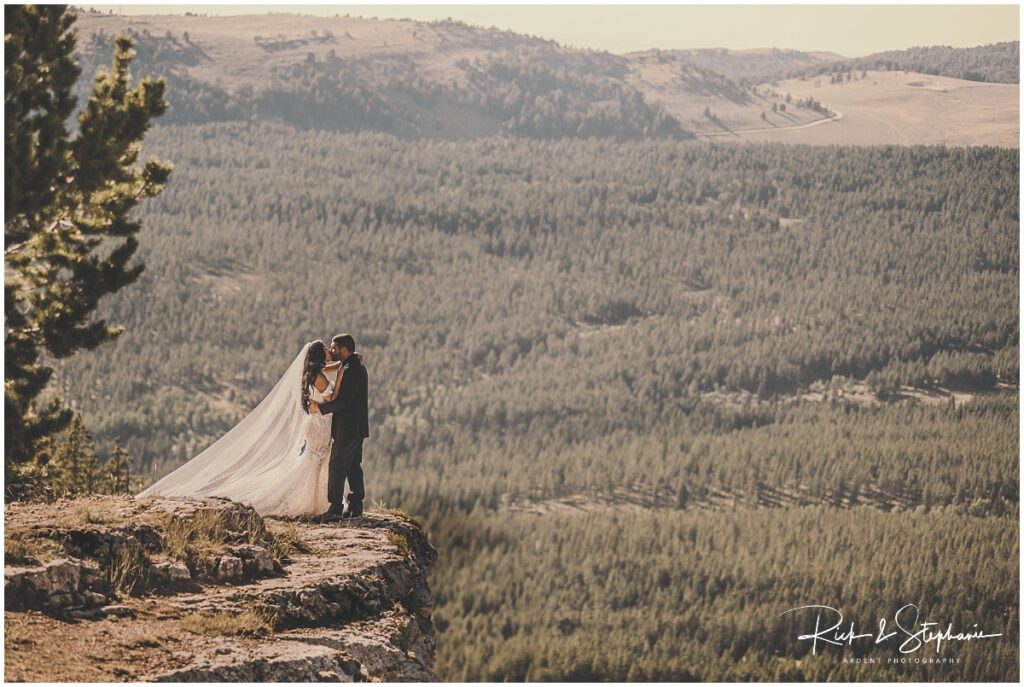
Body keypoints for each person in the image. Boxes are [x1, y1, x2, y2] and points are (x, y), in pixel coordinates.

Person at [135, 340, 348, 517]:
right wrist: (339, 379)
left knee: (312, 461)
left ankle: (313, 500)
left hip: (312, 424)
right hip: (320, 424)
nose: (330, 352)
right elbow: (330, 397)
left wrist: (337, 367)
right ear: (320, 357)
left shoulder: (309, 373)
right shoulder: (320, 378)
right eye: (326, 352)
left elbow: (323, 373)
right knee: (315, 463)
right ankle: (308, 502)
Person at [310, 333, 369, 520]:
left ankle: (335, 509)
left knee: (337, 465)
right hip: (355, 427)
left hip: (348, 428)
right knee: (352, 466)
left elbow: (343, 401)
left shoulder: (352, 369)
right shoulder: (350, 364)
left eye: (334, 348)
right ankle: (355, 505)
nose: (331, 350)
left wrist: (319, 408)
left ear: (343, 350)